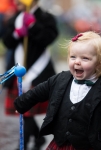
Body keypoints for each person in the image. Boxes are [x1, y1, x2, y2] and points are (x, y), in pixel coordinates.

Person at [14, 31, 101, 150]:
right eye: (73, 57)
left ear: (98, 63)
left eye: (85, 58)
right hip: (61, 142)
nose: (77, 61)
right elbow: (38, 92)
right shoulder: (60, 79)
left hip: (89, 145)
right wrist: (22, 103)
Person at [2, 0, 59, 150]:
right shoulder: (16, 18)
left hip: (38, 72)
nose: (15, 2)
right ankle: (37, 139)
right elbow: (7, 42)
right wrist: (16, 33)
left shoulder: (46, 18)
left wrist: (34, 26)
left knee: (26, 112)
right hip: (19, 71)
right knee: (24, 110)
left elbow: (48, 38)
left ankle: (25, 144)